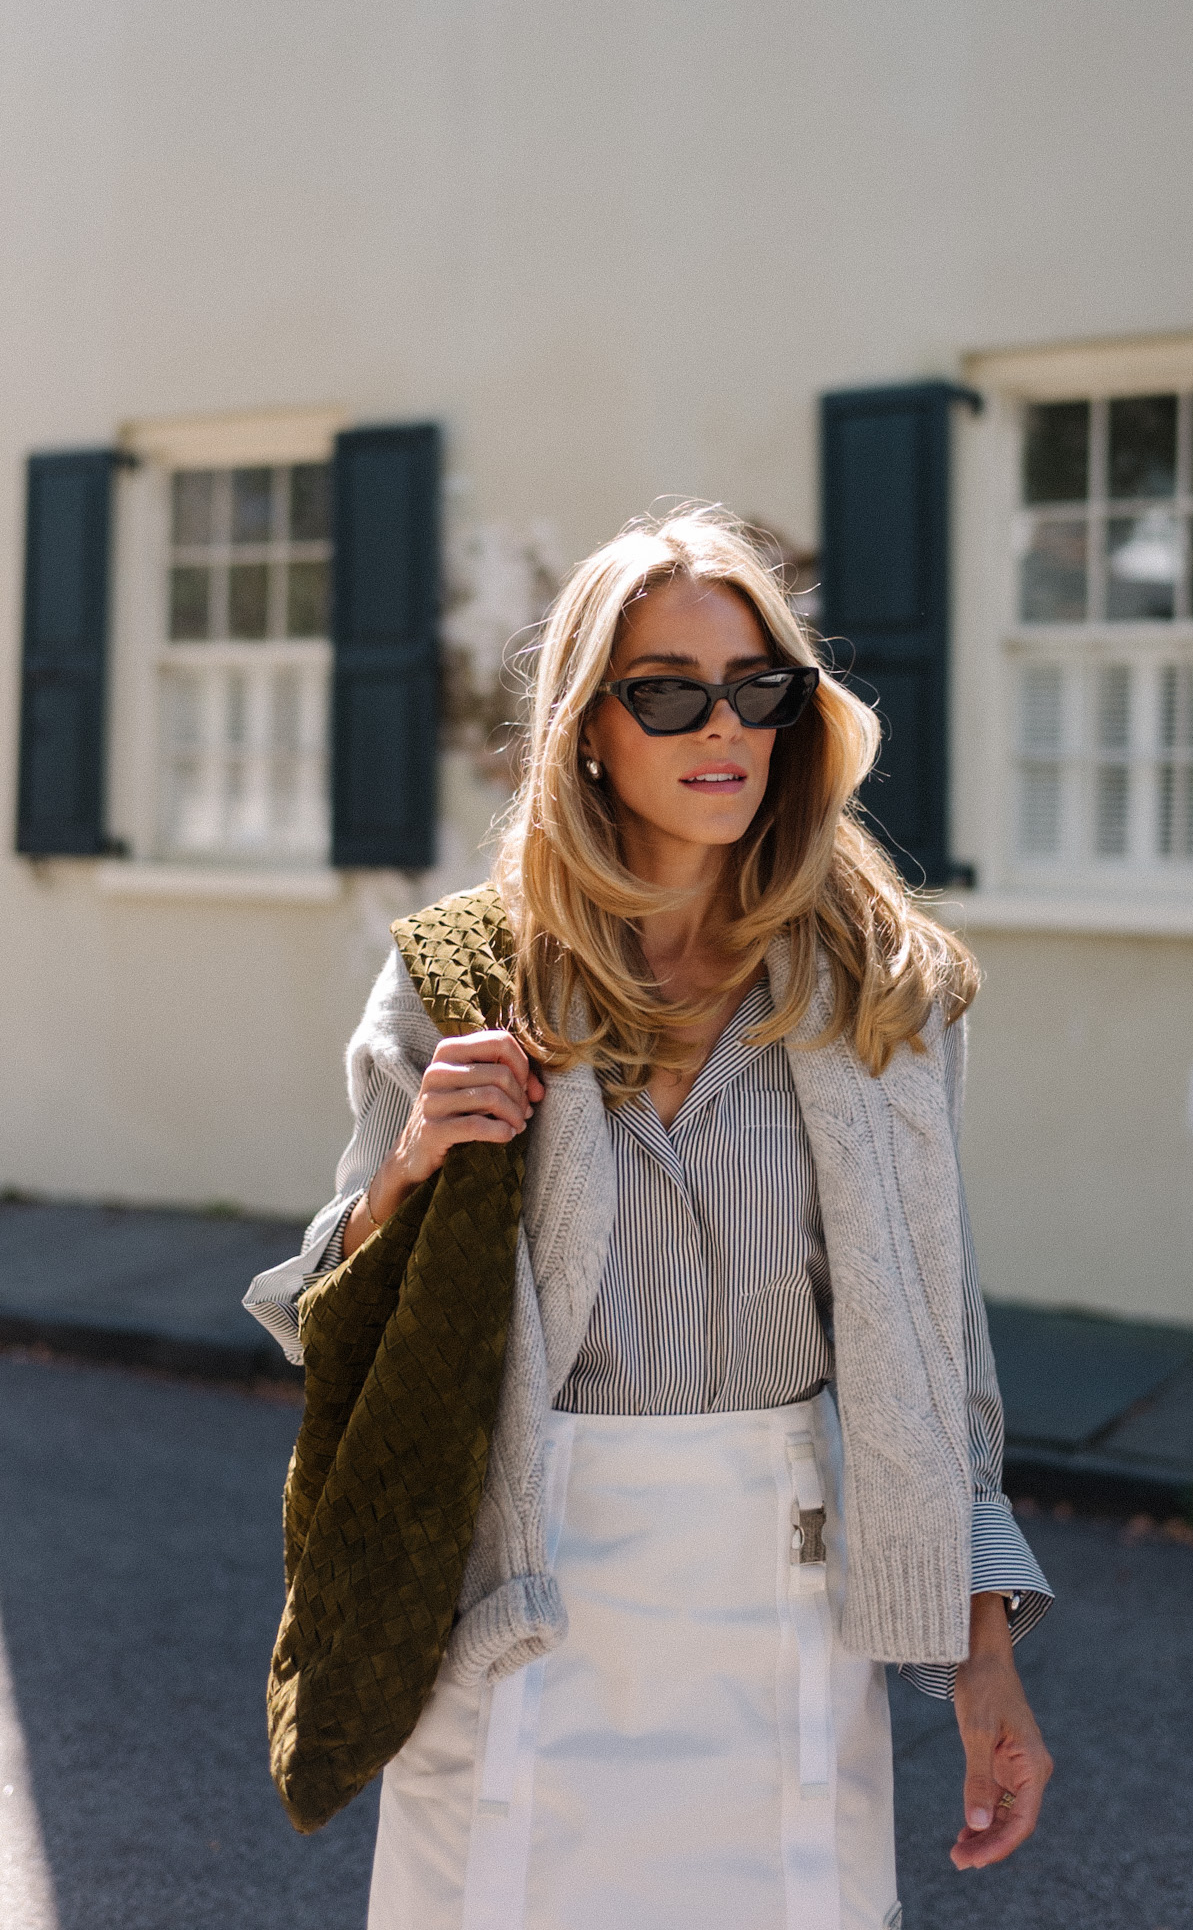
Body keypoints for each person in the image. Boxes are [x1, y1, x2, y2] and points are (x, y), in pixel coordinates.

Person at [246, 506, 1053, 1930]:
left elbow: (940, 1345)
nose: (721, 724)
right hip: (521, 1596)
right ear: (590, 729)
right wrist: (416, 1160)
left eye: (760, 687)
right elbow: (324, 1317)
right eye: (670, 690)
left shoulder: (881, 992)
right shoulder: (459, 982)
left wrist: (984, 1652)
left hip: (783, 1611)